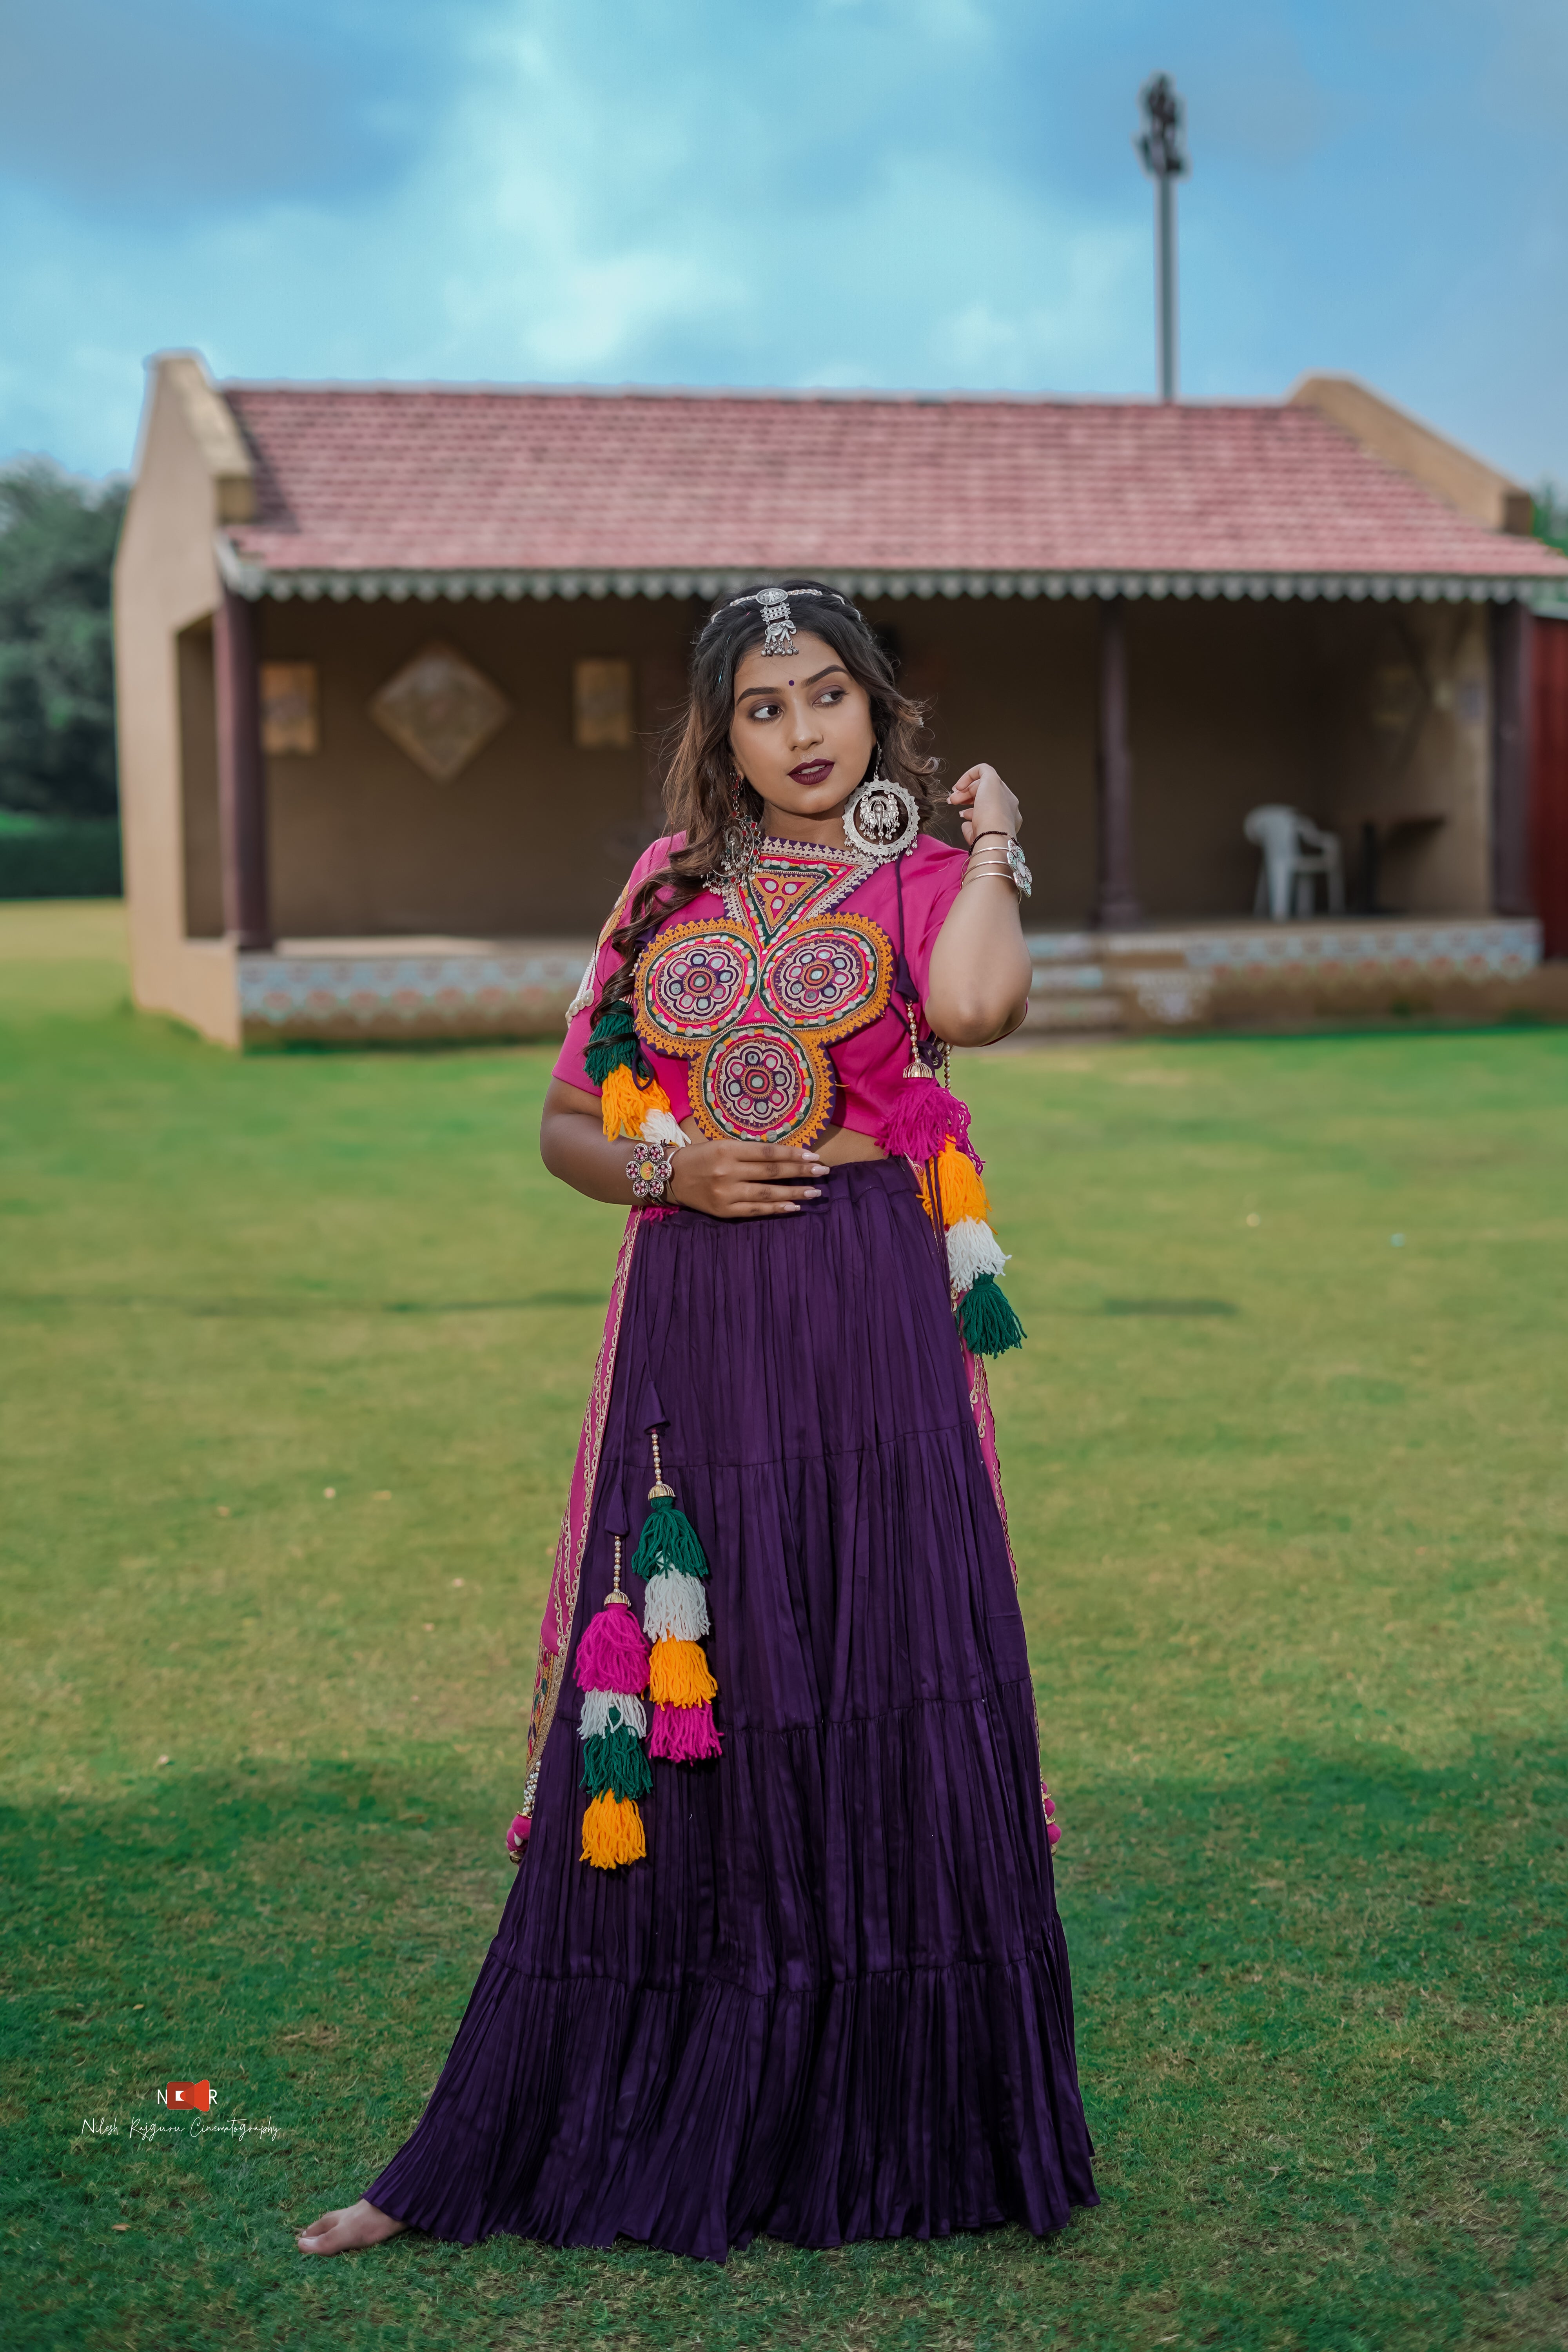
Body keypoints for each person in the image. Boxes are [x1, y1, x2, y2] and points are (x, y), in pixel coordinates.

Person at [298, 581, 1097, 2262]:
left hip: (867, 1312)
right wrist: (673, 1167)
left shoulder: (928, 871)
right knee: (679, 1683)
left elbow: (973, 1016)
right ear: (717, 730)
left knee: (877, 1661)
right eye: (762, 706)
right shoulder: (663, 891)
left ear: (875, 708)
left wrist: (1004, 842)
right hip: (698, 1312)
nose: (801, 733)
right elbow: (561, 1123)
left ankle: (900, 2122)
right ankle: (560, 2109)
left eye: (827, 697)